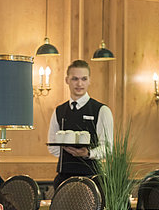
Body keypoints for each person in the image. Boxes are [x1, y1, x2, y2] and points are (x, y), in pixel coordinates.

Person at [47, 59, 114, 189]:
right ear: (67, 80)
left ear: (89, 80)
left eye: (83, 79)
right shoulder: (59, 111)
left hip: (92, 178)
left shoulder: (101, 110)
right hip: (63, 177)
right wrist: (69, 153)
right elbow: (53, 145)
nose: (79, 83)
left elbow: (107, 147)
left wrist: (88, 154)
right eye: (74, 79)